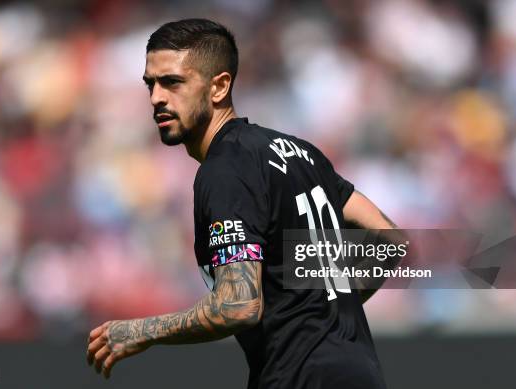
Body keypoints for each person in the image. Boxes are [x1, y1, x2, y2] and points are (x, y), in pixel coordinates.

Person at [86, 18, 398, 389]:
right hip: (360, 373)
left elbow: (239, 305)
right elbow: (389, 240)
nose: (156, 98)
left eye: (172, 82)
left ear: (219, 86)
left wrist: (142, 330)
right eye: (150, 84)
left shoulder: (225, 170)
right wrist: (324, 310)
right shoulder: (300, 153)